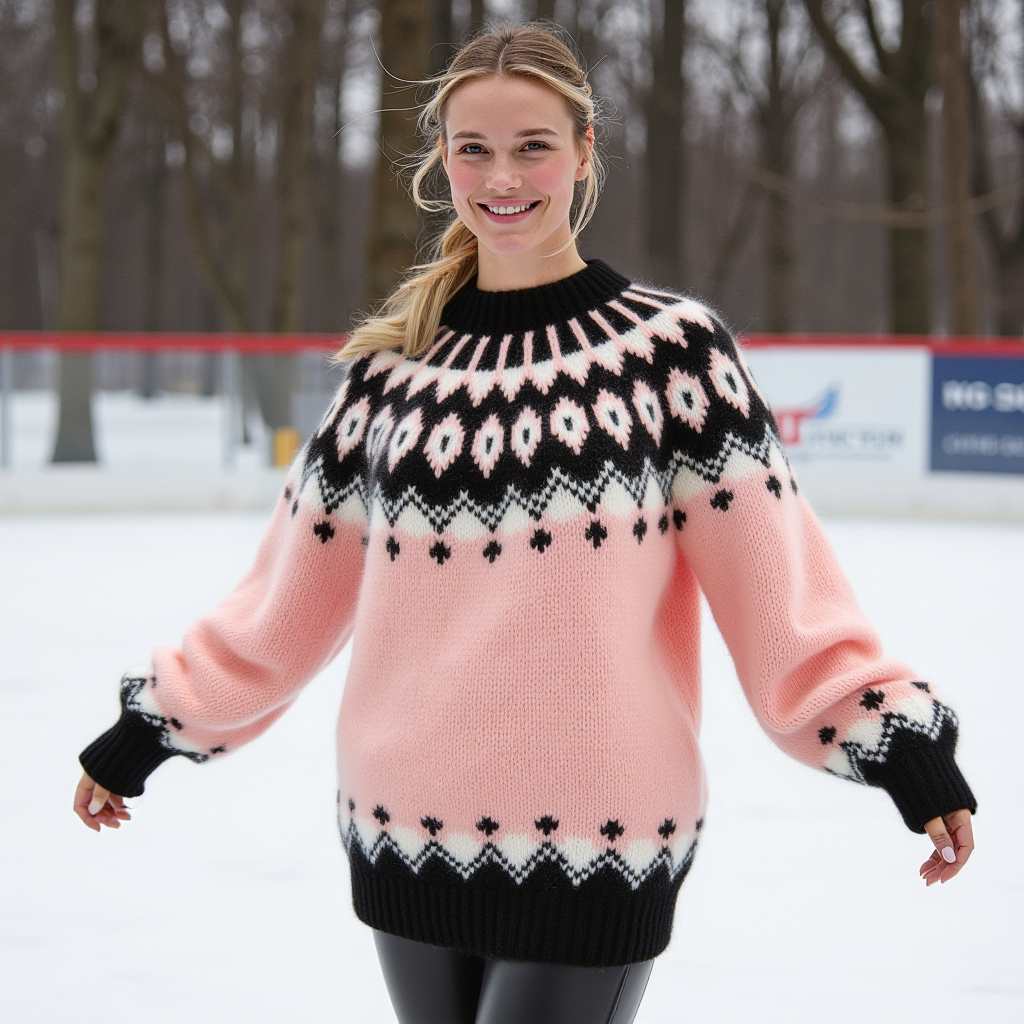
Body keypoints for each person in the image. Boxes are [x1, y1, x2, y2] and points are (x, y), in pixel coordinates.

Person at [74, 23, 976, 1024]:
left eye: (532, 145)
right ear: (443, 161)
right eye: (474, 149)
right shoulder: (386, 379)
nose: (502, 175)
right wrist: (148, 729)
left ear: (584, 150)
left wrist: (898, 746)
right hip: (403, 827)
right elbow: (278, 612)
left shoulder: (669, 357)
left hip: (597, 838)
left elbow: (783, 600)